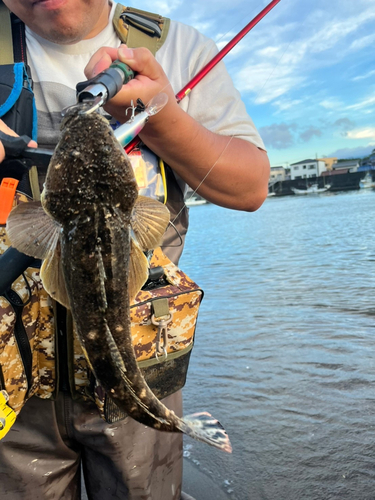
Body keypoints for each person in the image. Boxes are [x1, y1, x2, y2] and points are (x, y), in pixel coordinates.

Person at [0, 0, 270, 499]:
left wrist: (161, 121)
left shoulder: (179, 46)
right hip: (11, 384)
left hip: (144, 359)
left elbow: (250, 187)